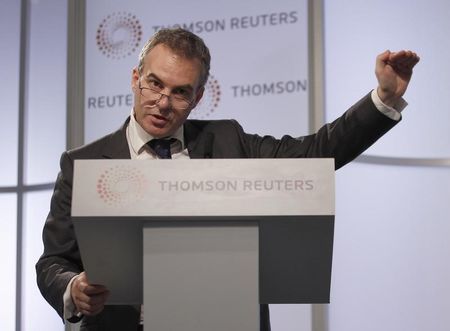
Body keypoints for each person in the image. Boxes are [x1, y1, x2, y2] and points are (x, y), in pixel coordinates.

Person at [36, 28, 420, 331]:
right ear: (136, 78)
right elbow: (54, 261)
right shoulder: (82, 163)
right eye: (154, 84)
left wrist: (383, 99)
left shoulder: (228, 140)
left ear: (199, 96)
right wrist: (73, 288)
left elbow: (314, 153)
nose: (164, 101)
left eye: (180, 91)